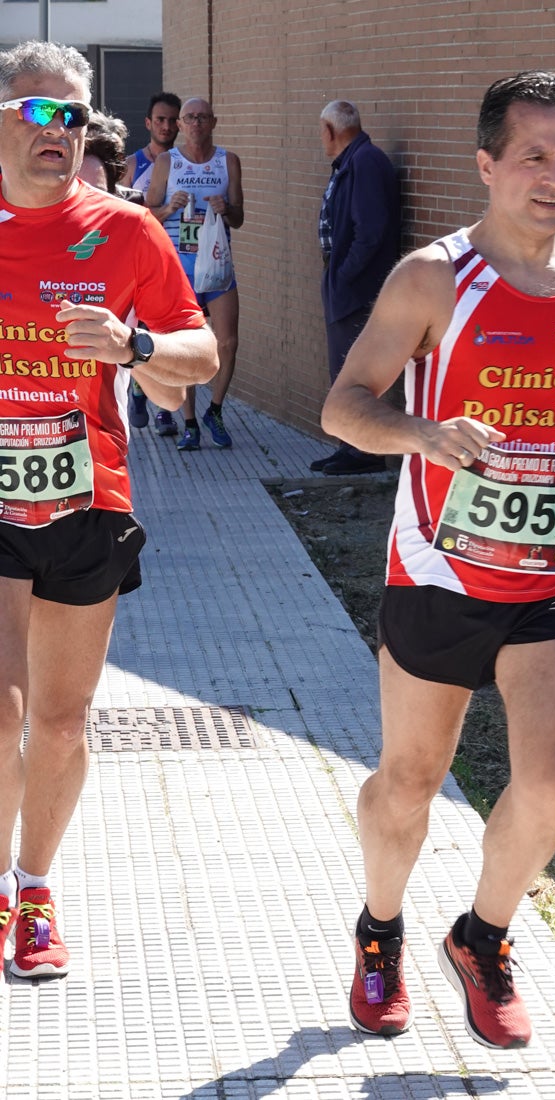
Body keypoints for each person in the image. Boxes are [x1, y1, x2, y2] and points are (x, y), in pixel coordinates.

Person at [321, 71, 555, 1048]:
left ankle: (483, 936)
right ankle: (380, 928)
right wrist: (425, 433)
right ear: (488, 164)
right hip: (440, 570)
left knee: (549, 779)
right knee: (410, 781)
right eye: (534, 156)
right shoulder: (434, 277)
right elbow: (347, 404)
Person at [0, 40, 218, 979]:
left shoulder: (126, 231)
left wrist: (133, 345)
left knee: (58, 720)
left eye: (78, 118)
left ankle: (35, 887)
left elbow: (199, 357)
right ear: (7, 117)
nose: (65, 132)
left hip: (88, 499)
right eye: (47, 113)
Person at [146, 96, 244, 451]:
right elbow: (149, 214)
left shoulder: (227, 161)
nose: (196, 123)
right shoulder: (167, 162)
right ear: (181, 125)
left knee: (228, 342)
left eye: (203, 117)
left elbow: (239, 217)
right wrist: (168, 207)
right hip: (179, 269)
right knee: (185, 347)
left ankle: (214, 411)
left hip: (217, 265)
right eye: (190, 118)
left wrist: (226, 209)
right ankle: (189, 422)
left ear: (213, 122)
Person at [311, 100, 401, 475]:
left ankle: (363, 452)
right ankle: (350, 446)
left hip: (358, 291)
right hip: (347, 286)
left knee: (353, 372)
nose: (321, 140)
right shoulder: (353, 161)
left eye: (321, 132)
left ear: (330, 131)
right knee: (343, 369)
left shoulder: (364, 162)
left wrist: (345, 274)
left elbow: (371, 230)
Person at [119, 92, 182, 437]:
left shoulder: (186, 163)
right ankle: (142, 393)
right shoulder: (132, 165)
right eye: (160, 119)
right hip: (141, 265)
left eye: (173, 120)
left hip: (180, 263)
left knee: (171, 336)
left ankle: (163, 410)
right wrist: (168, 210)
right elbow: (123, 217)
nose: (166, 126)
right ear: (148, 123)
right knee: (147, 333)